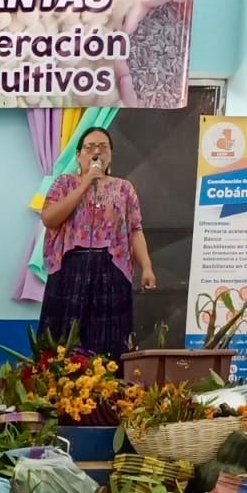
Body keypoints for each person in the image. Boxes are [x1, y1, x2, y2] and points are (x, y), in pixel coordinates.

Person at [38, 126, 155, 356]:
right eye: (89, 147)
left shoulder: (124, 189)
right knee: (64, 339)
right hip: (70, 268)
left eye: (103, 147)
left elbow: (135, 229)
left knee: (109, 339)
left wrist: (147, 267)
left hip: (111, 269)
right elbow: (49, 219)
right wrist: (85, 184)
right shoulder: (64, 184)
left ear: (110, 154)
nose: (96, 152)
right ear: (78, 155)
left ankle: (109, 377)